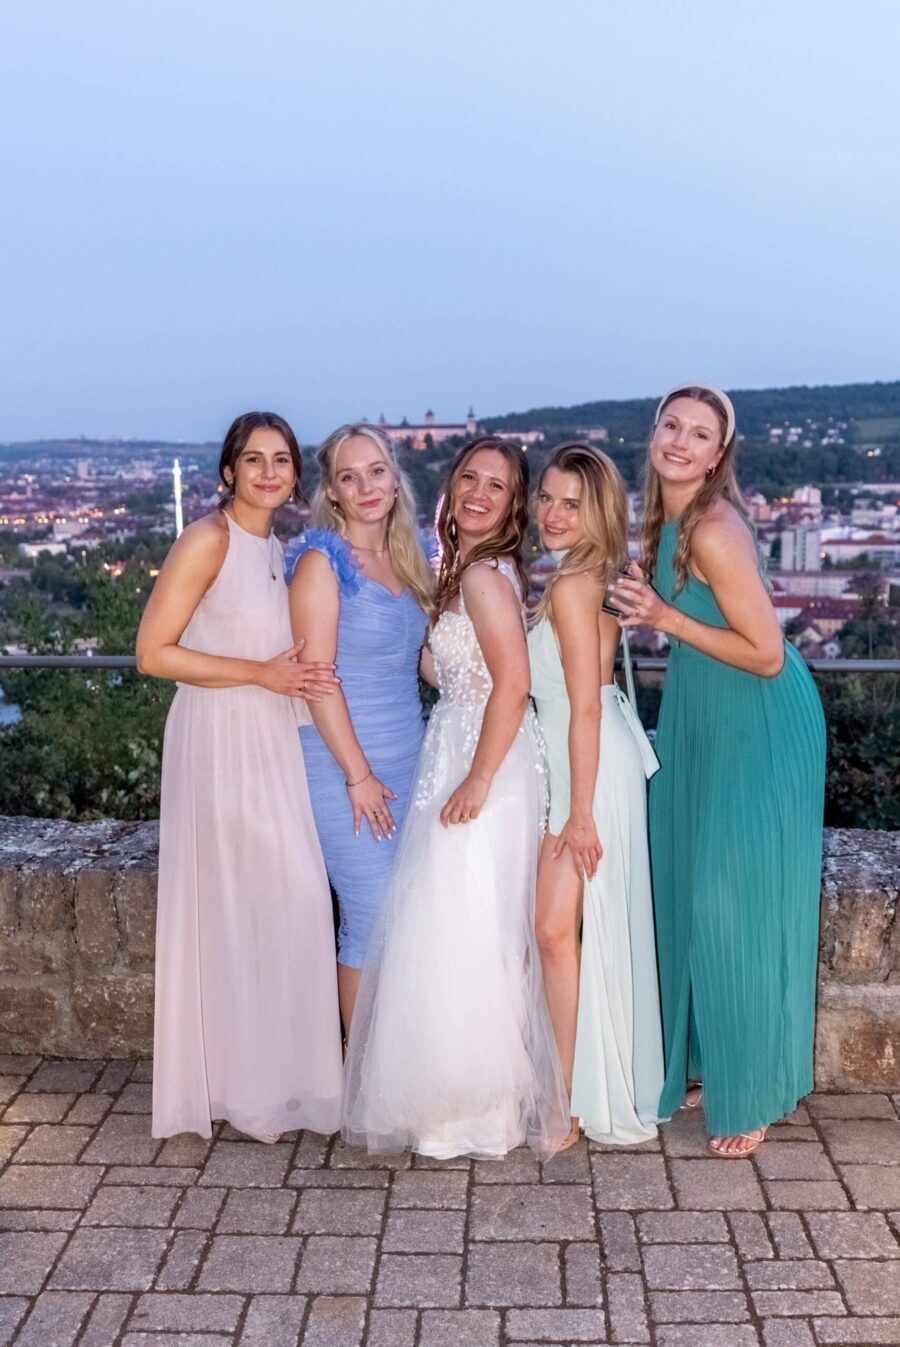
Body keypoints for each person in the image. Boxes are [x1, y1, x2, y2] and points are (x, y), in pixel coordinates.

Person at [609, 383, 825, 1158]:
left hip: (759, 723)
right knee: (691, 886)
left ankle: (753, 1087)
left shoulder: (715, 528)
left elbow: (767, 654)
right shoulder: (666, 517)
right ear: (656, 431)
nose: (680, 440)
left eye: (701, 433)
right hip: (705, 716)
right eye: (673, 424)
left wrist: (663, 618)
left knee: (731, 901)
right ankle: (707, 1059)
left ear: (718, 453)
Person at [342, 437, 570, 1160]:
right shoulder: (464, 573)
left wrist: (476, 778)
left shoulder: (484, 579)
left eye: (496, 486)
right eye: (468, 477)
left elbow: (513, 682)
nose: (477, 492)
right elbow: (456, 671)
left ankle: (479, 1110)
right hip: (462, 747)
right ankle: (467, 1106)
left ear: (512, 505)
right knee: (461, 926)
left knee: (467, 924)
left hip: (487, 764)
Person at [137, 411, 343, 1142]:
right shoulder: (208, 540)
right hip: (218, 735)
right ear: (228, 470)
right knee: (247, 900)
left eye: (280, 459)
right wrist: (259, 673)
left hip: (267, 736)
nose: (266, 471)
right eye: (251, 458)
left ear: (294, 473)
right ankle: (245, 1088)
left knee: (283, 902)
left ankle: (275, 1078)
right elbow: (153, 653)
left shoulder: (275, 547)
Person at [529, 443, 664, 1148]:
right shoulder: (582, 573)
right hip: (585, 757)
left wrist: (576, 812)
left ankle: (574, 1099)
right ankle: (579, 1087)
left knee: (557, 927)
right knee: (572, 928)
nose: (551, 512)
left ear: (599, 510)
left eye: (570, 503)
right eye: (546, 497)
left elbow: (583, 704)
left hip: (590, 765)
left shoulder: (578, 583)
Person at [285, 424, 432, 1034]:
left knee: (409, 913)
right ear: (333, 492)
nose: (366, 485)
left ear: (395, 479)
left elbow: (422, 662)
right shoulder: (322, 563)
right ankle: (360, 1080)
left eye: (376, 470)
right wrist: (358, 775)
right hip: (342, 764)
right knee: (369, 915)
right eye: (350, 476)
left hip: (412, 756)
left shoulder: (409, 558)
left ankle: (403, 1062)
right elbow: (317, 679)